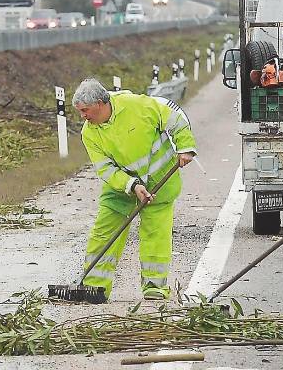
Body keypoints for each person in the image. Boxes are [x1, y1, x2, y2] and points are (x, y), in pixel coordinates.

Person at [72, 77, 197, 302]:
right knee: (103, 234)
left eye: (85, 110)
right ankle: (94, 287)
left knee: (155, 234)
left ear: (101, 103)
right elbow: (106, 170)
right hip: (122, 188)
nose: (83, 116)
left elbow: (176, 117)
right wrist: (132, 185)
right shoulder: (89, 133)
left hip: (160, 181)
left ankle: (154, 288)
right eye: (80, 112)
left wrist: (185, 147)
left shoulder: (138, 106)